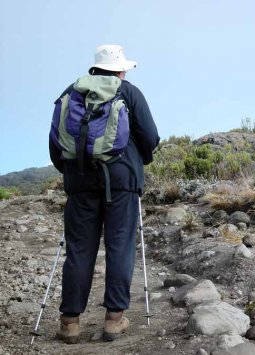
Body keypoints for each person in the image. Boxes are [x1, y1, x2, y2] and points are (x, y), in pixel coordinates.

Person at [49, 44, 160, 343]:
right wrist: (138, 162)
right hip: (122, 182)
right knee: (120, 246)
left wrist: (75, 173)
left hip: (79, 183)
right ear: (120, 68)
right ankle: (114, 320)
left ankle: (69, 322)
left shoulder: (70, 92)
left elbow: (56, 145)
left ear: (95, 67)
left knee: (79, 250)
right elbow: (151, 137)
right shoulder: (128, 92)